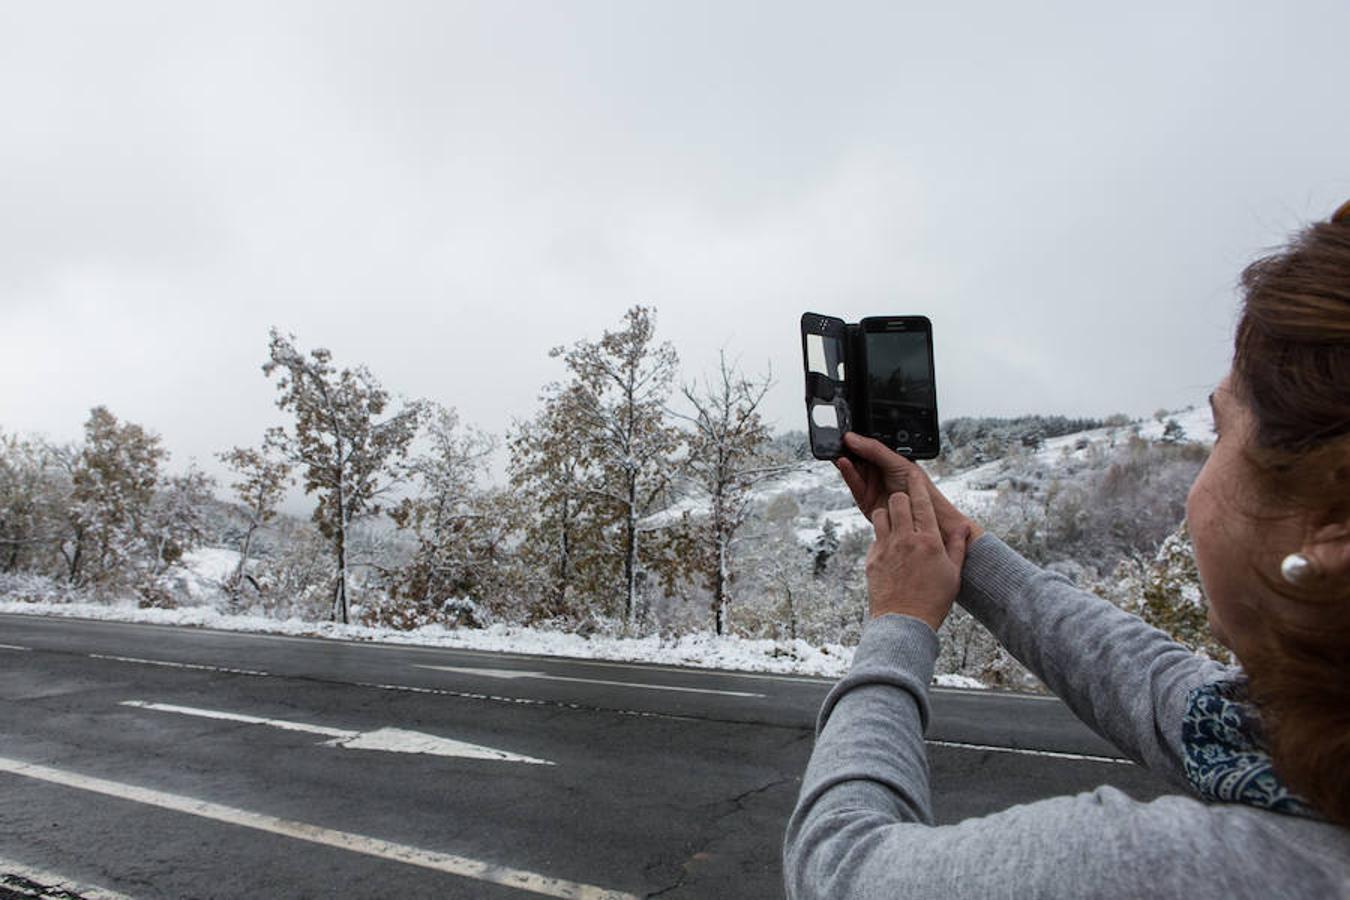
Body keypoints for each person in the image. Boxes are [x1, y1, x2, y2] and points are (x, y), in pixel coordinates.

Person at [784, 201, 1350, 899]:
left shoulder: (1175, 875)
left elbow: (840, 872)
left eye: (1223, 433)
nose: (1203, 472)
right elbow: (1155, 687)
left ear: (1328, 530)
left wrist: (897, 622)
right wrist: (961, 543)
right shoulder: (1300, 745)